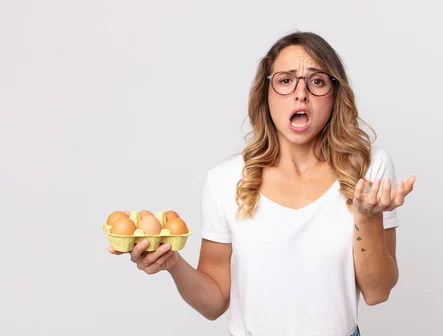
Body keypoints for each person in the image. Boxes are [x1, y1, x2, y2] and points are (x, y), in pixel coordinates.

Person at [108, 31, 416, 336]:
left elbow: (378, 292)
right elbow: (214, 303)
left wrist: (366, 216)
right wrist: (172, 263)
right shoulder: (225, 180)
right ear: (265, 94)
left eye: (317, 81)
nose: (301, 93)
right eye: (285, 80)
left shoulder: (368, 168)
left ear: (335, 95)